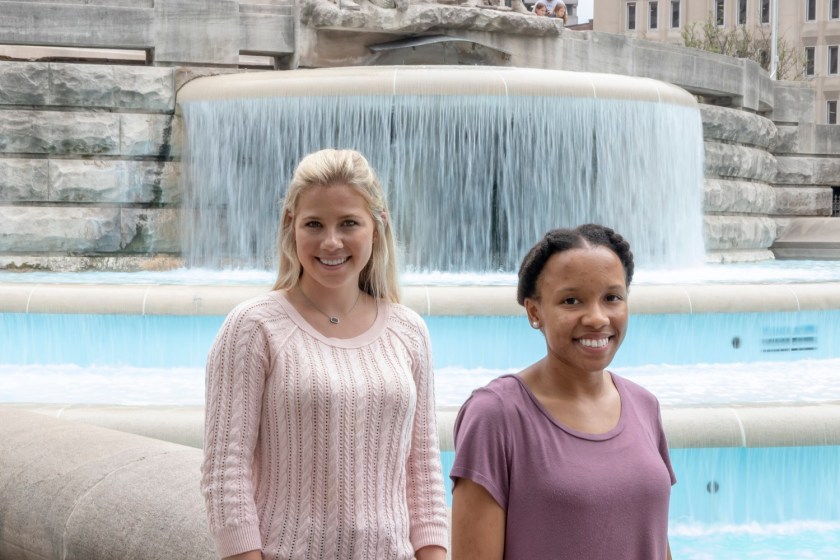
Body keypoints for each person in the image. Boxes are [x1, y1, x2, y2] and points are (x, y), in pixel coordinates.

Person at [201, 148, 448, 560]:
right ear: (291, 226)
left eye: (348, 223)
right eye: (314, 224)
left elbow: (423, 471)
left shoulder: (409, 331)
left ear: (377, 227)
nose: (331, 242)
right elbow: (225, 472)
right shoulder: (253, 327)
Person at [450, 224, 675, 560]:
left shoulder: (645, 406)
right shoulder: (495, 415)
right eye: (571, 301)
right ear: (534, 312)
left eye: (612, 297)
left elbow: (655, 538)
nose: (597, 318)